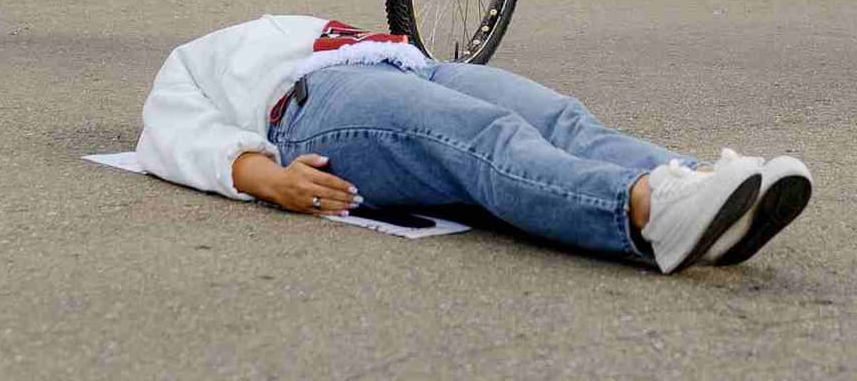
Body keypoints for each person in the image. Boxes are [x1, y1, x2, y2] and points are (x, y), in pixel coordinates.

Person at [135, 15, 815, 274]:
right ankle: (649, 208)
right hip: (312, 107)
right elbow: (167, 133)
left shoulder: (269, 28)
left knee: (563, 120)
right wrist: (261, 175)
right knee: (483, 139)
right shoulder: (184, 66)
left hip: (401, 62)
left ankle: (707, 189)